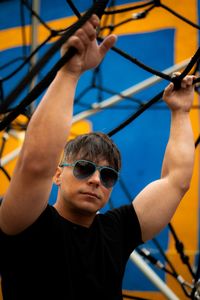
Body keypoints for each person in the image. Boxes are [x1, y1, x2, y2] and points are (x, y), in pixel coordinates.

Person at [0, 14, 196, 300]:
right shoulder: (25, 221)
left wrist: (180, 112)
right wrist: (69, 73)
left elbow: (176, 181)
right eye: (83, 168)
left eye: (107, 176)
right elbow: (36, 163)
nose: (95, 180)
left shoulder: (117, 231)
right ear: (58, 174)